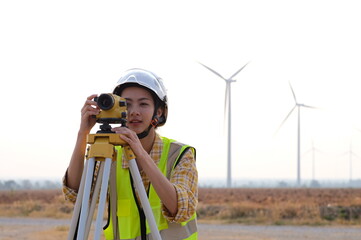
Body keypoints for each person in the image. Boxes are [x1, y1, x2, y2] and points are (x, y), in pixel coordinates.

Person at [63, 68, 198, 240]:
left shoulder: (179, 154)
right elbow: (76, 195)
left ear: (159, 111)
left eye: (143, 104)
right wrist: (83, 133)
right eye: (126, 104)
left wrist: (140, 153)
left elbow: (181, 209)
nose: (134, 111)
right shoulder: (110, 154)